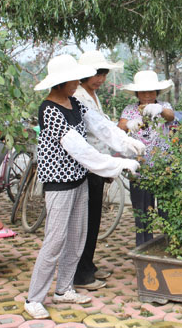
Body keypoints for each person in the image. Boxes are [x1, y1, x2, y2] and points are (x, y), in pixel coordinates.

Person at [24, 54, 145, 320]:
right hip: (59, 183)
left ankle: (64, 288)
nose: (79, 82)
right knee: (55, 241)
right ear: (60, 82)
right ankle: (34, 298)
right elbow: (79, 149)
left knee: (77, 237)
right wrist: (118, 165)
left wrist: (127, 143)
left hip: (79, 179)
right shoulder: (49, 109)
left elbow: (101, 127)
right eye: (74, 78)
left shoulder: (75, 102)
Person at [72, 51, 124, 291]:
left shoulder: (91, 94)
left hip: (96, 166)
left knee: (94, 219)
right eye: (96, 74)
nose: (100, 78)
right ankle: (80, 273)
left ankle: (88, 265)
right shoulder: (79, 96)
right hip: (86, 167)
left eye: (103, 73)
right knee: (85, 221)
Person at [117, 70, 175, 247]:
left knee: (167, 210)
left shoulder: (164, 106)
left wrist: (159, 110)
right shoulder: (130, 110)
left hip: (163, 166)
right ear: (137, 94)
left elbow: (170, 116)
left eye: (151, 92)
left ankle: (171, 245)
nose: (148, 95)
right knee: (142, 211)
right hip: (140, 167)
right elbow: (120, 127)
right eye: (143, 92)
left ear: (157, 93)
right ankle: (144, 246)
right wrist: (128, 125)